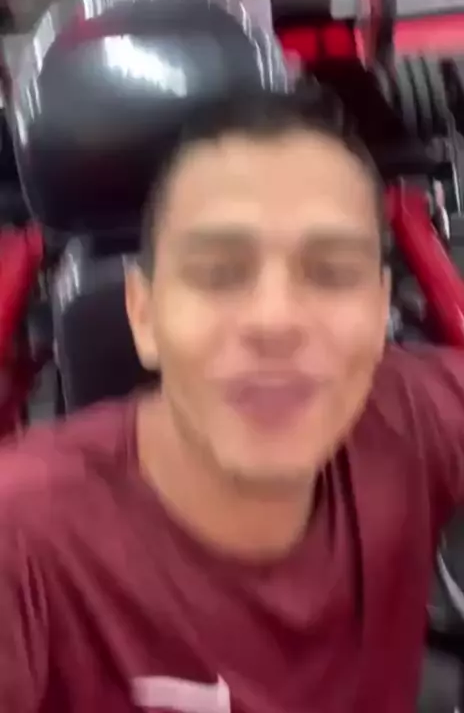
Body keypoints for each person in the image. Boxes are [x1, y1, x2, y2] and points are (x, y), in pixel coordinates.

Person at [1, 89, 464, 713]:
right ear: (144, 315)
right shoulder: (23, 537)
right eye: (219, 273)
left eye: (331, 272)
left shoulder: (411, 419)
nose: (275, 321)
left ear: (381, 307)